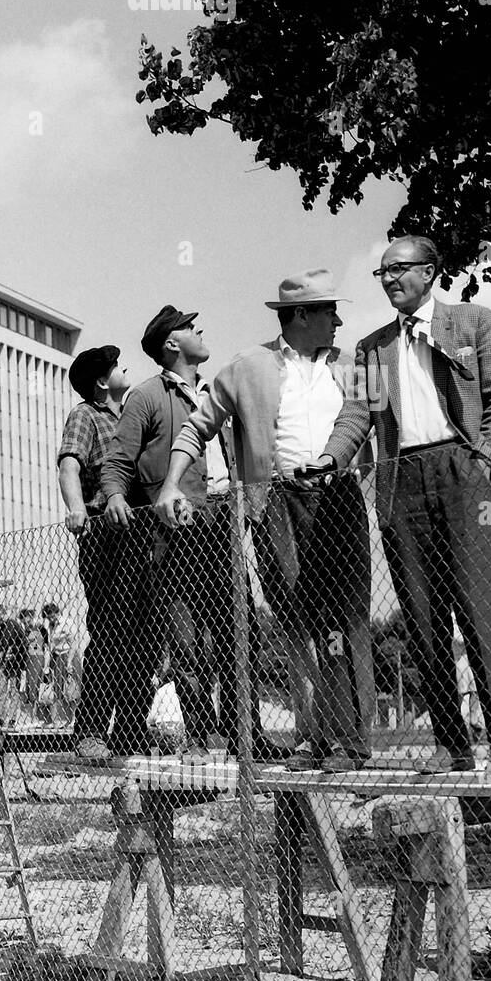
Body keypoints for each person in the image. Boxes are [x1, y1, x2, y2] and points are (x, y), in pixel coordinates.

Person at [155, 272, 376, 773]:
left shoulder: (354, 364)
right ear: (300, 316)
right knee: (297, 620)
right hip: (274, 502)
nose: (338, 320)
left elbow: (369, 416)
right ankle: (313, 736)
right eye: (328, 312)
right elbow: (198, 426)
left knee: (345, 620)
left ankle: (351, 740)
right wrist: (171, 485)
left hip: (337, 496)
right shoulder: (247, 365)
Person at [323, 236, 491, 774]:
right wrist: (331, 457)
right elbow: (357, 414)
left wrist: (485, 460)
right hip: (399, 481)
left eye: (399, 269)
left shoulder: (471, 322)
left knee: (480, 604)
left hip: (464, 471)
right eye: (382, 272)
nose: (389, 279)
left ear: (430, 271)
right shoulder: (370, 347)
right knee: (421, 616)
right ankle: (450, 744)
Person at [101, 307, 291, 763]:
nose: (202, 331)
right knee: (185, 638)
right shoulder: (147, 396)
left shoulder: (214, 393)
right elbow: (118, 460)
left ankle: (247, 733)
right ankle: (203, 738)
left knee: (237, 632)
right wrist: (114, 496)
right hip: (175, 535)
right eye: (191, 328)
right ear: (172, 344)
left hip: (222, 525)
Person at [56, 343, 155, 761]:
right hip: (104, 534)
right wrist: (77, 509)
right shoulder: (85, 414)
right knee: (111, 632)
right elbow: (69, 465)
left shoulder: (131, 414)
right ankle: (92, 730)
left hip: (142, 533)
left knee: (146, 638)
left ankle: (131, 730)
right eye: (116, 366)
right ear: (102, 381)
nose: (124, 367)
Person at [38, 603, 80, 727]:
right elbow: (50, 646)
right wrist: (47, 665)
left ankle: (73, 719)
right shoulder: (51, 626)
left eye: (51, 616)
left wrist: (69, 663)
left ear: (56, 613)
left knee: (70, 690)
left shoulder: (67, 622)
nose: (50, 619)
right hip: (56, 657)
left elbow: (73, 643)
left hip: (67, 655)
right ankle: (59, 719)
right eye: (48, 617)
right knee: (57, 689)